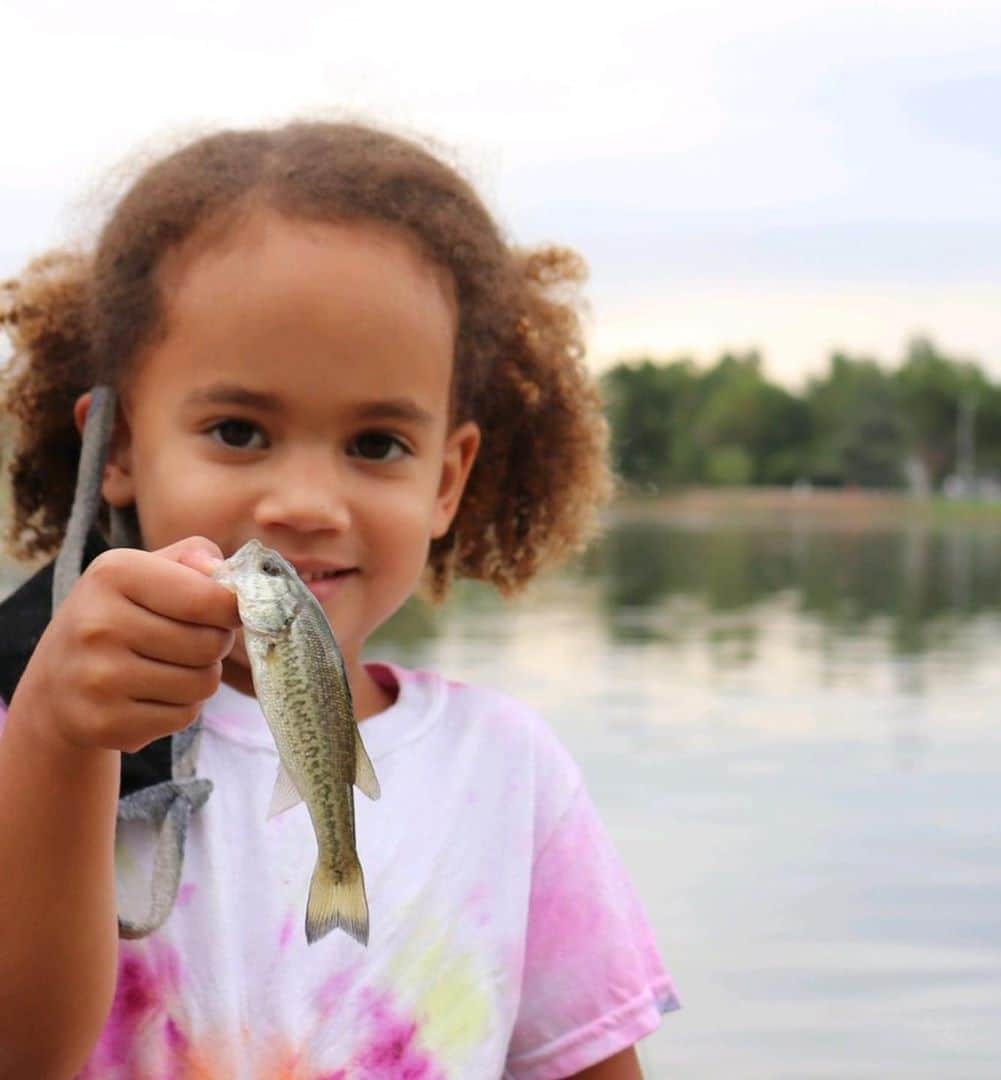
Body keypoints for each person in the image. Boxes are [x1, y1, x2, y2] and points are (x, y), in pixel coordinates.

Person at [0, 121, 678, 1079]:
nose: (307, 506)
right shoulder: (26, 723)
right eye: (238, 430)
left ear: (448, 479)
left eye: (376, 445)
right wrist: (55, 739)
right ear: (115, 450)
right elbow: (22, 1052)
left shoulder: (512, 773)